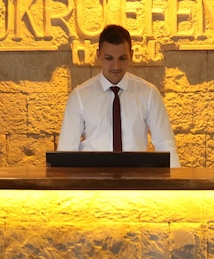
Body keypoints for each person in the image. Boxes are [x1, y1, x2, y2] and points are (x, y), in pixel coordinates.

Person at [57, 24, 180, 167]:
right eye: (109, 58)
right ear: (98, 55)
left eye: (122, 58)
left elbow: (165, 144)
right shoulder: (80, 96)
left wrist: (176, 180)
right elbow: (67, 150)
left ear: (131, 55)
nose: (116, 66)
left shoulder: (149, 94)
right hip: (93, 178)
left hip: (136, 178)